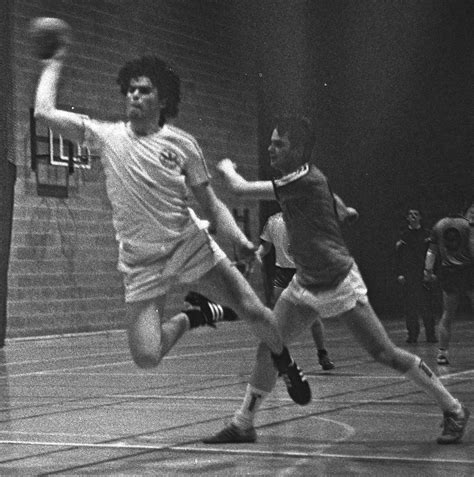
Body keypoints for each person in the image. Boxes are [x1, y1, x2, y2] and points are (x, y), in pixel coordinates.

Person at [32, 23, 311, 404]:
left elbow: (212, 204)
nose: (134, 95)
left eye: (144, 90)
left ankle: (285, 362)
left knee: (255, 312)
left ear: (162, 100)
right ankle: (195, 317)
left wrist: (239, 240)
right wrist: (55, 62)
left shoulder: (182, 145)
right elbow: (44, 113)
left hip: (187, 244)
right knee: (147, 356)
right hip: (140, 262)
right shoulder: (106, 135)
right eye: (130, 89)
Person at [204, 115, 469, 445]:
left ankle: (454, 408)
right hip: (304, 284)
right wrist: (342, 211)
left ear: (299, 150)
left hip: (338, 282)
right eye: (270, 142)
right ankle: (243, 423)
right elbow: (330, 195)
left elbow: (239, 189)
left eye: (278, 144)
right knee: (270, 346)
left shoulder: (301, 180)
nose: (270, 149)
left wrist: (227, 167)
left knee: (385, 353)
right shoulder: (305, 177)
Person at [257, 211, 335, 370]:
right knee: (277, 318)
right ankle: (280, 359)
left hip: (302, 272)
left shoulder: (306, 218)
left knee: (312, 316)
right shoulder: (272, 221)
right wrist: (255, 255)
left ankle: (322, 353)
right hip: (282, 274)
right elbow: (265, 247)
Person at [424, 203, 474, 366]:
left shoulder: (439, 225)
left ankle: (442, 353)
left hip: (448, 273)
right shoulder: (468, 225)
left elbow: (431, 251)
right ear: (464, 212)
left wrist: (428, 271)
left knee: (447, 314)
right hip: (468, 271)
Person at [395, 209, 437, 343]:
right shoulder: (403, 236)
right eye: (410, 215)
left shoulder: (427, 234)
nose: (413, 217)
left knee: (427, 306)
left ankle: (431, 334)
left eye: (416, 214)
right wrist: (400, 273)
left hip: (424, 273)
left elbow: (433, 254)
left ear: (420, 217)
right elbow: (399, 257)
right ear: (407, 218)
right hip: (409, 275)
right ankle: (412, 335)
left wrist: (432, 272)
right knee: (410, 307)